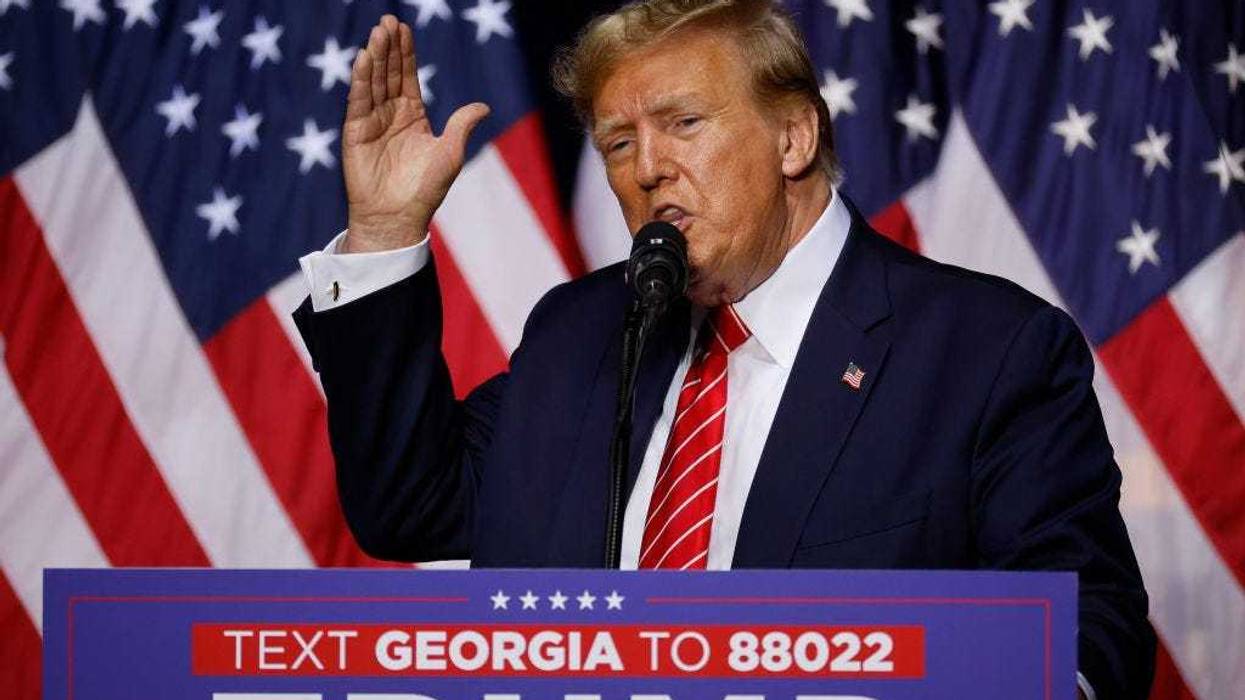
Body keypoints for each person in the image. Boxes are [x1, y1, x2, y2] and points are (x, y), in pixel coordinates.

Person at [294, 2, 1154, 697]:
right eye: (618, 143)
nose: (647, 168)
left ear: (794, 138)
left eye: (684, 122)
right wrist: (384, 229)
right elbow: (409, 507)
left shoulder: (986, 350)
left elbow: (1086, 633)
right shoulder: (578, 332)